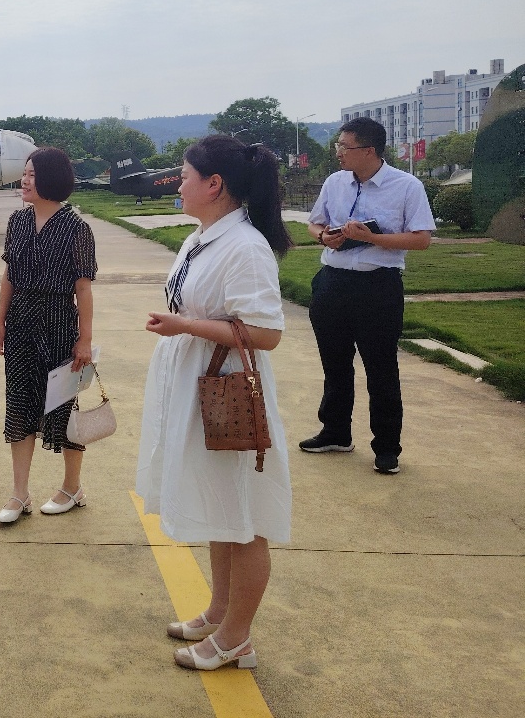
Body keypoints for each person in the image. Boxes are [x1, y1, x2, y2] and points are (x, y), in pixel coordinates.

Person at [137, 135, 293, 671]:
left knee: (244, 518)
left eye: (184, 175)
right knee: (220, 508)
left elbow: (266, 332)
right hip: (201, 387)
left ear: (214, 184)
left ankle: (237, 639)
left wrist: (185, 326)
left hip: (229, 397)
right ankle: (219, 611)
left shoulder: (244, 247)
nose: (177, 183)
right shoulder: (204, 237)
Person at [301, 117, 434, 474]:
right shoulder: (335, 182)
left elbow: (421, 239)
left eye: (345, 147)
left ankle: (387, 447)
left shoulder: (405, 186)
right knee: (335, 363)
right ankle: (335, 431)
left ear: (369, 151)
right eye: (338, 146)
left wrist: (371, 238)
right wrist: (322, 236)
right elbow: (315, 222)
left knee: (381, 368)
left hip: (378, 286)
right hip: (332, 282)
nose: (338, 153)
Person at [0, 147, 96, 524]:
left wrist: (84, 340)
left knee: (63, 408)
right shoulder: (17, 222)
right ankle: (19, 494)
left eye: (33, 174)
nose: (25, 180)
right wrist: (0, 320)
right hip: (20, 323)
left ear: (52, 179)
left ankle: (72, 486)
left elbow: (83, 288)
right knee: (19, 404)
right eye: (25, 173)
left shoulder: (76, 228)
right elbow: (8, 276)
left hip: (59, 323)